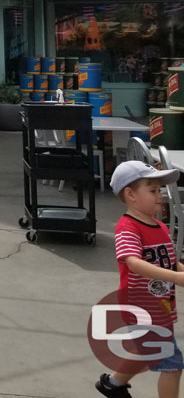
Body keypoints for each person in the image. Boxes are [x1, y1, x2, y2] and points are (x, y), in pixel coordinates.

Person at [96, 161, 184, 397]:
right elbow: (134, 263)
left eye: (160, 191)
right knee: (173, 366)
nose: (160, 196)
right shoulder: (128, 227)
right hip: (142, 309)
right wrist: (176, 277)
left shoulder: (159, 226)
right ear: (131, 194)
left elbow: (170, 261)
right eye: (153, 190)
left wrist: (179, 271)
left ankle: (112, 384)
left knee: (148, 350)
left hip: (161, 306)